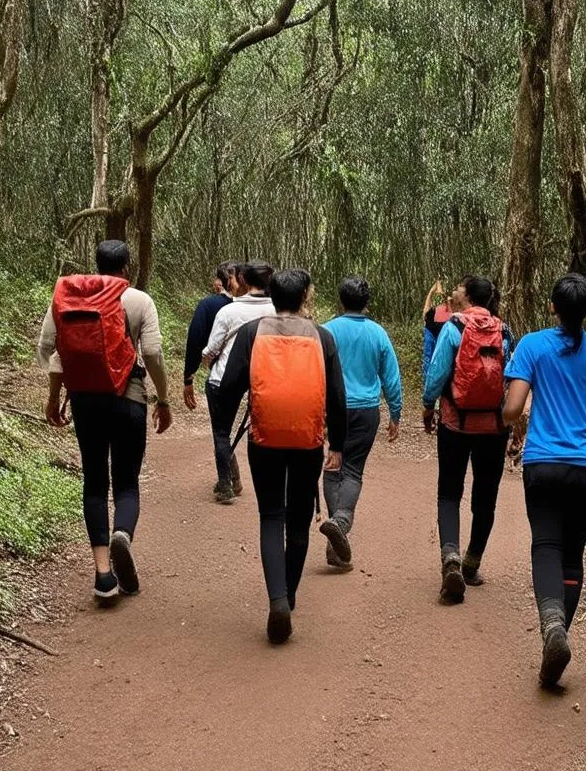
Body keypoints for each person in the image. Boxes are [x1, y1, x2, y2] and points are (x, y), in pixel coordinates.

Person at [502, 273, 586, 689]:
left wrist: (516, 423)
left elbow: (513, 408)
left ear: (552, 306)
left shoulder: (532, 347)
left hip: (542, 464)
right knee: (572, 555)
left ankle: (551, 626)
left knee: (545, 544)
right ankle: (559, 634)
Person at [38, 239, 173, 604]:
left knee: (95, 483)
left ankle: (102, 576)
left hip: (84, 401)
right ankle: (122, 535)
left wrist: (54, 398)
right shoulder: (139, 300)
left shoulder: (68, 299)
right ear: (126, 268)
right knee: (126, 482)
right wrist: (162, 398)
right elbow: (153, 353)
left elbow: (49, 350)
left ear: (95, 265)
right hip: (128, 398)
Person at [217, 269, 346, 644]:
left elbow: (228, 389)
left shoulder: (251, 333)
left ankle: (276, 600)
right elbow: (337, 397)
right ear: (305, 296)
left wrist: (224, 434)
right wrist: (336, 445)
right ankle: (288, 596)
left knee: (271, 516)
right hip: (308, 442)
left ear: (272, 295)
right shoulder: (322, 337)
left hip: (264, 440)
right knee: (299, 520)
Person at [422, 275, 513, 604]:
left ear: (470, 295)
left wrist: (428, 406)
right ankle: (472, 563)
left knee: (449, 490)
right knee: (485, 493)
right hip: (493, 427)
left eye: (460, 288)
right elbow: (508, 377)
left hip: (455, 422)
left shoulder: (455, 327)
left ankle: (451, 557)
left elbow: (437, 373)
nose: (455, 292)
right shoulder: (503, 330)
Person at [320, 276, 402, 569]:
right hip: (366, 410)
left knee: (332, 469)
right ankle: (341, 522)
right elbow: (390, 376)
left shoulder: (326, 331)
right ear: (367, 303)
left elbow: (315, 371)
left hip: (332, 409)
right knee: (352, 470)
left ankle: (336, 534)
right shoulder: (378, 333)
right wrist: (395, 412)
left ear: (340, 301)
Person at [201, 261, 275, 503]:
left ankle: (226, 484)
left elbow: (211, 349)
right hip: (263, 379)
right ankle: (240, 477)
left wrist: (204, 359)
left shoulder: (229, 312)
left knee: (221, 431)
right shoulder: (276, 311)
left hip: (225, 377)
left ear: (242, 280)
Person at [183, 262, 235, 411]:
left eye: (218, 278)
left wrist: (189, 377)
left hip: (220, 375)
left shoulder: (208, 305)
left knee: (221, 431)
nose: (215, 283)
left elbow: (195, 340)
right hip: (252, 378)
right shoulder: (264, 308)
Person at [422, 279, 453, 386]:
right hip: (446, 362)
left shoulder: (431, 314)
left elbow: (426, 308)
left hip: (433, 342)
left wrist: (432, 291)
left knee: (429, 359)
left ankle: (429, 384)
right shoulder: (450, 314)